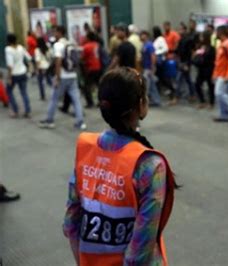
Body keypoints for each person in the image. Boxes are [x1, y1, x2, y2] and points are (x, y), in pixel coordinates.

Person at [63, 67, 176, 265]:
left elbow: (71, 224)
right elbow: (139, 253)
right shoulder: (149, 165)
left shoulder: (85, 148)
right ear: (140, 105)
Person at [39, 26, 86, 130]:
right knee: (76, 99)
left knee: (54, 98)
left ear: (59, 32)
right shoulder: (70, 43)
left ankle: (49, 120)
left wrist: (57, 77)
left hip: (63, 76)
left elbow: (58, 62)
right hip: (73, 75)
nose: (54, 34)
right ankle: (80, 122)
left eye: (55, 32)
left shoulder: (58, 45)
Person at [5, 33, 32, 118]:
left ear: (8, 41)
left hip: (14, 74)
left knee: (8, 91)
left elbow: (10, 65)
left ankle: (15, 110)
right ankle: (27, 111)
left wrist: (9, 77)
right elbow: (29, 58)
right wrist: (29, 69)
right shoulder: (21, 47)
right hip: (23, 72)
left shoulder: (8, 49)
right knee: (24, 92)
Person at [175, 21, 197, 103]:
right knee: (186, 80)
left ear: (184, 30)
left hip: (185, 62)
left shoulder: (188, 40)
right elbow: (178, 51)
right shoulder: (180, 39)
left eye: (180, 29)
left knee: (180, 79)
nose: (179, 31)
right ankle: (192, 95)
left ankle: (177, 97)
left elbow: (191, 52)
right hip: (181, 61)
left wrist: (188, 64)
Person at [193, 31, 216, 108]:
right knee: (197, 84)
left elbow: (210, 59)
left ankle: (211, 103)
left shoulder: (211, 48)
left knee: (210, 86)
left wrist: (201, 54)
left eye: (202, 37)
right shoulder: (200, 47)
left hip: (209, 69)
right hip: (201, 69)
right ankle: (202, 101)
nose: (200, 38)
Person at [81, 32, 102, 108]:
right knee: (98, 85)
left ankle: (90, 103)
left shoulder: (86, 46)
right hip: (98, 67)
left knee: (87, 86)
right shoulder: (97, 44)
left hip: (90, 68)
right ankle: (101, 101)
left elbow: (82, 58)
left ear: (88, 38)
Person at [140, 30, 161, 106]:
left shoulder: (149, 45)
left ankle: (148, 101)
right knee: (151, 85)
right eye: (141, 35)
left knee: (147, 85)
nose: (141, 36)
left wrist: (153, 67)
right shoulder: (144, 45)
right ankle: (156, 100)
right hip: (145, 67)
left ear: (146, 36)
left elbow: (153, 56)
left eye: (143, 34)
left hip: (148, 68)